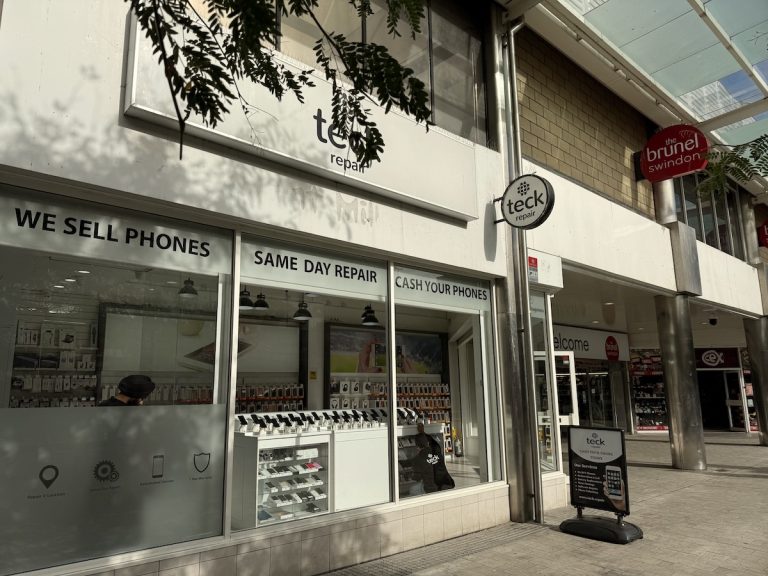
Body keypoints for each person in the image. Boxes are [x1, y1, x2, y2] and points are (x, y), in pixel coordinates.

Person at [408, 423, 455, 494]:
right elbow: (433, 442)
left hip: (433, 489)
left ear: (417, 447)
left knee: (412, 490)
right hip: (447, 483)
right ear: (427, 443)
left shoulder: (418, 459)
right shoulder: (437, 449)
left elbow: (417, 478)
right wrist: (423, 432)